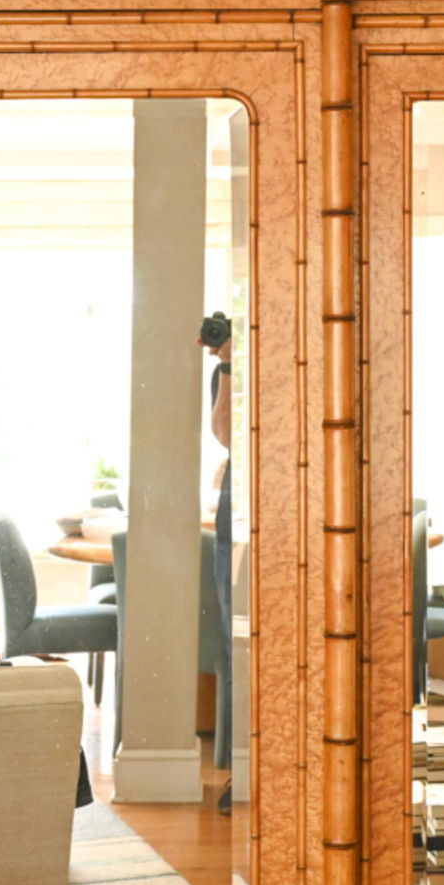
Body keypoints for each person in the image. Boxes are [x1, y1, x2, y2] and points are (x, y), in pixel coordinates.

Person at [203, 319, 234, 812]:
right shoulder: (227, 372)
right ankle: (237, 769)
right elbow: (227, 434)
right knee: (235, 641)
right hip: (238, 507)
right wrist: (228, 364)